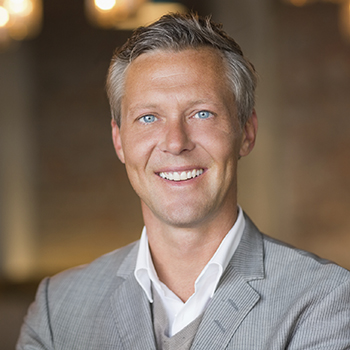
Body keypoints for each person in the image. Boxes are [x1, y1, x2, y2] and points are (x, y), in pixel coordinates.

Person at [17, 13, 350, 350]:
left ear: (246, 132)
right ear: (119, 141)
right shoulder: (57, 308)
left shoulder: (324, 299)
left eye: (201, 113)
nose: (175, 142)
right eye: (148, 117)